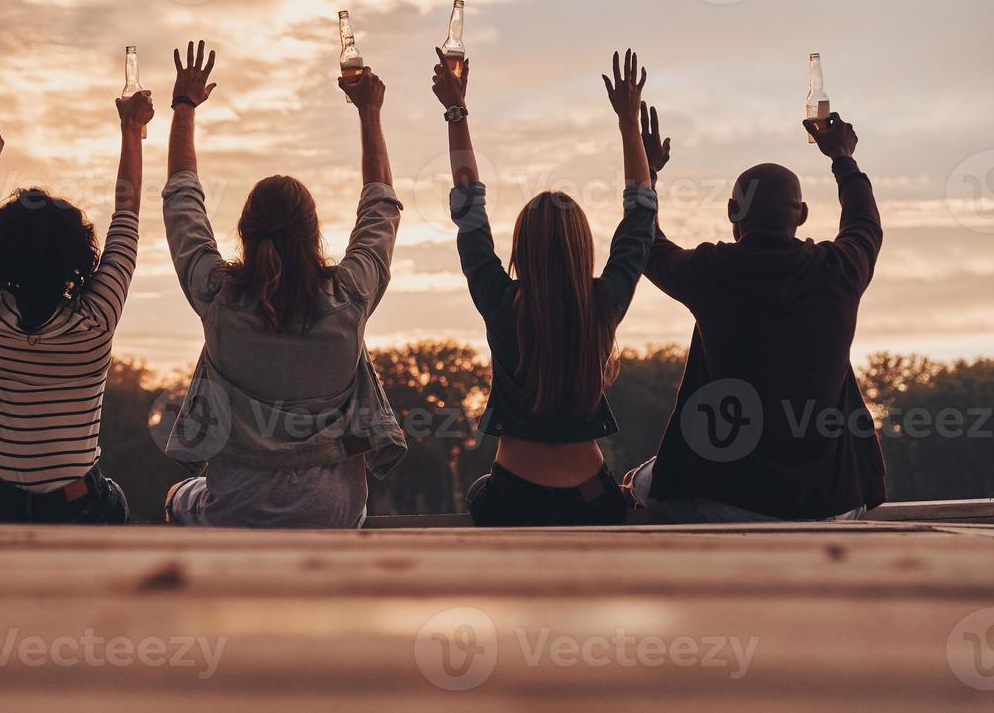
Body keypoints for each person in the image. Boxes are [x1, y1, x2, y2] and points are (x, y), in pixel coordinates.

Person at [161, 39, 408, 528]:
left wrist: (184, 105)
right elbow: (380, 206)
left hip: (237, 510)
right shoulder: (351, 296)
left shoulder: (216, 295)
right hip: (334, 513)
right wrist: (369, 112)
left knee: (177, 497)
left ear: (246, 233)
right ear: (312, 232)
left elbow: (181, 203)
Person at [624, 107, 886, 522]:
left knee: (638, 483)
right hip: (831, 502)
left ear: (733, 212)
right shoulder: (839, 270)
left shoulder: (710, 271)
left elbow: (646, 244)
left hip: (723, 498)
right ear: (801, 216)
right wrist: (843, 159)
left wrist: (648, 173)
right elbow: (865, 224)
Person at [440, 49, 658, 527]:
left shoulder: (501, 302)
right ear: (583, 247)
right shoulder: (604, 303)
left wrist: (456, 112)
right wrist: (627, 122)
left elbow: (469, 206)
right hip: (592, 499)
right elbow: (641, 214)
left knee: (479, 491)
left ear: (523, 246)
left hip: (510, 497)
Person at [0, 62, 152, 524]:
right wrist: (131, 128)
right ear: (80, 256)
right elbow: (128, 210)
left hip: (5, 505)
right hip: (81, 505)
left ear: (4, 253)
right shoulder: (97, 318)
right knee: (112, 494)